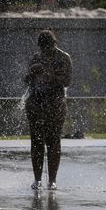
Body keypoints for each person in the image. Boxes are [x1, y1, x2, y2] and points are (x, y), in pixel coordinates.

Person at [24, 30, 72, 191]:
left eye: (48, 47)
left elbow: (67, 81)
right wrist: (31, 73)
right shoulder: (35, 58)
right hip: (35, 103)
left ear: (54, 44)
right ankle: (37, 180)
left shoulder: (64, 57)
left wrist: (50, 74)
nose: (45, 51)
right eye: (43, 47)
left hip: (56, 103)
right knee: (36, 141)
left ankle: (52, 180)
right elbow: (26, 81)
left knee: (53, 141)